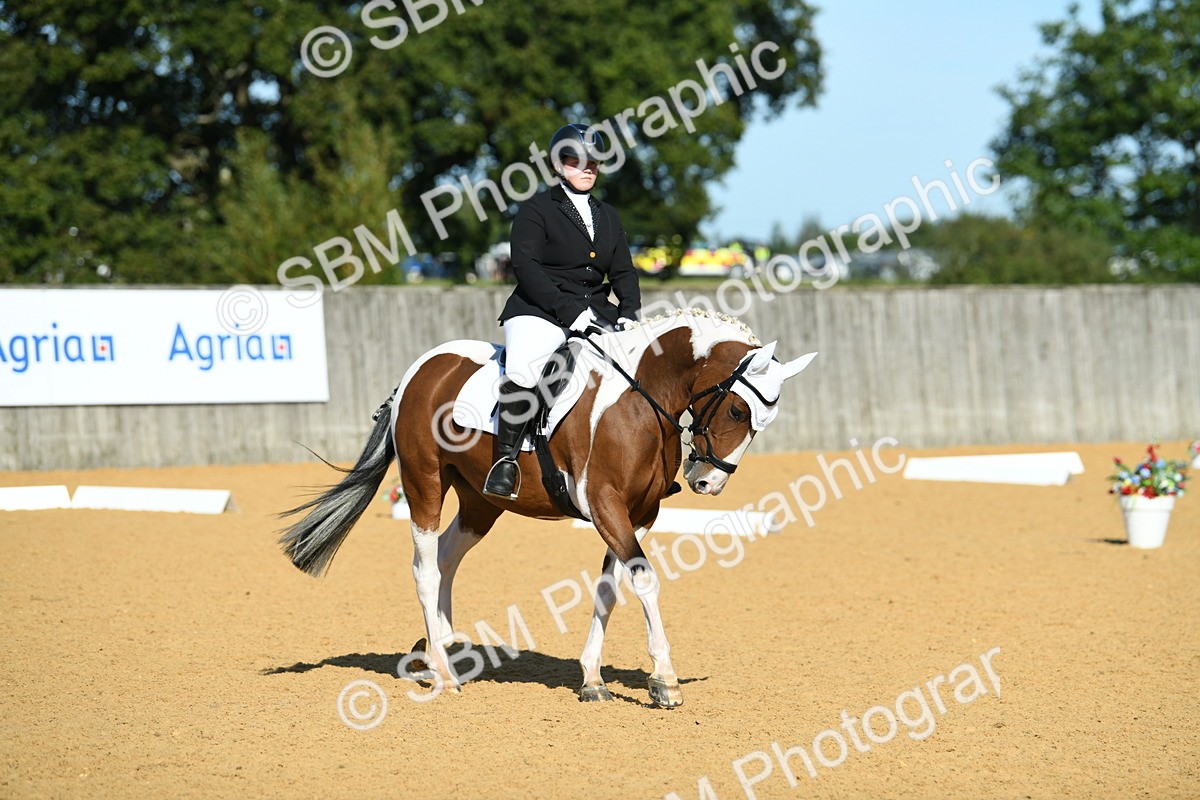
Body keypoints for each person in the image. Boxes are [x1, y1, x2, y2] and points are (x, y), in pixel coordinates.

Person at [482, 123, 642, 499]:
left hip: (597, 311)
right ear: (558, 165)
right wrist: (568, 311)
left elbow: (623, 270)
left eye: (593, 162)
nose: (587, 168)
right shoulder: (537, 210)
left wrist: (630, 313)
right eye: (576, 160)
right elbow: (526, 266)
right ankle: (504, 463)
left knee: (638, 368)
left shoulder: (609, 215)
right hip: (539, 309)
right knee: (526, 366)